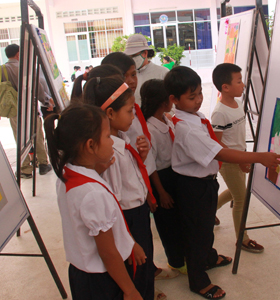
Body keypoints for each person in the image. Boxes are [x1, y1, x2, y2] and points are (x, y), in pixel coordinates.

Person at [164, 66, 280, 299]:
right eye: (192, 97)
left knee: (206, 228)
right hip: (193, 186)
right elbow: (219, 152)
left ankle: (209, 257)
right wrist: (259, 157)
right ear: (174, 99)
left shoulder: (193, 116)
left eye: (200, 93)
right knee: (197, 234)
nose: (199, 100)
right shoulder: (186, 127)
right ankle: (198, 280)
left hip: (205, 182)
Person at [44, 104, 144, 300]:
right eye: (108, 137)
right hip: (103, 280)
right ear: (90, 145)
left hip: (83, 274)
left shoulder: (67, 173)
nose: (111, 141)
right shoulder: (93, 194)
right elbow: (108, 254)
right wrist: (130, 290)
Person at [83, 76, 163, 300]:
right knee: (137, 272)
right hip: (126, 221)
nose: (134, 115)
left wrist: (142, 155)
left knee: (145, 269)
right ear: (109, 114)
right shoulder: (109, 155)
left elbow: (132, 178)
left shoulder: (122, 138)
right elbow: (113, 205)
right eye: (129, 111)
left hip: (137, 214)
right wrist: (129, 241)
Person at [211, 63, 264, 253]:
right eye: (239, 81)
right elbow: (217, 144)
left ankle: (209, 213)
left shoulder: (238, 103)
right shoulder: (219, 112)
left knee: (237, 192)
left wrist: (245, 156)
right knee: (241, 198)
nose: (243, 85)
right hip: (230, 161)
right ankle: (242, 239)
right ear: (225, 87)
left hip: (240, 157)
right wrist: (240, 159)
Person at [140, 79, 187, 275]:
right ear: (163, 101)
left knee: (177, 220)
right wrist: (161, 192)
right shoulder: (150, 128)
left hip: (174, 174)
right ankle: (176, 261)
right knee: (168, 225)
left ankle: (182, 255)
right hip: (162, 178)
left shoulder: (166, 119)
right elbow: (151, 166)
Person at [0, 44, 52, 179]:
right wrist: (47, 101)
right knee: (37, 136)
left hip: (14, 111)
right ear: (18, 54)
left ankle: (25, 169)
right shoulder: (27, 68)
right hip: (30, 108)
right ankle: (43, 164)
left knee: (20, 139)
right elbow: (38, 89)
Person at [124, 34, 169, 106]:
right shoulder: (125, 77)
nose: (131, 59)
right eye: (129, 56)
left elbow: (172, 102)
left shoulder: (162, 73)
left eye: (134, 55)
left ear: (145, 53)